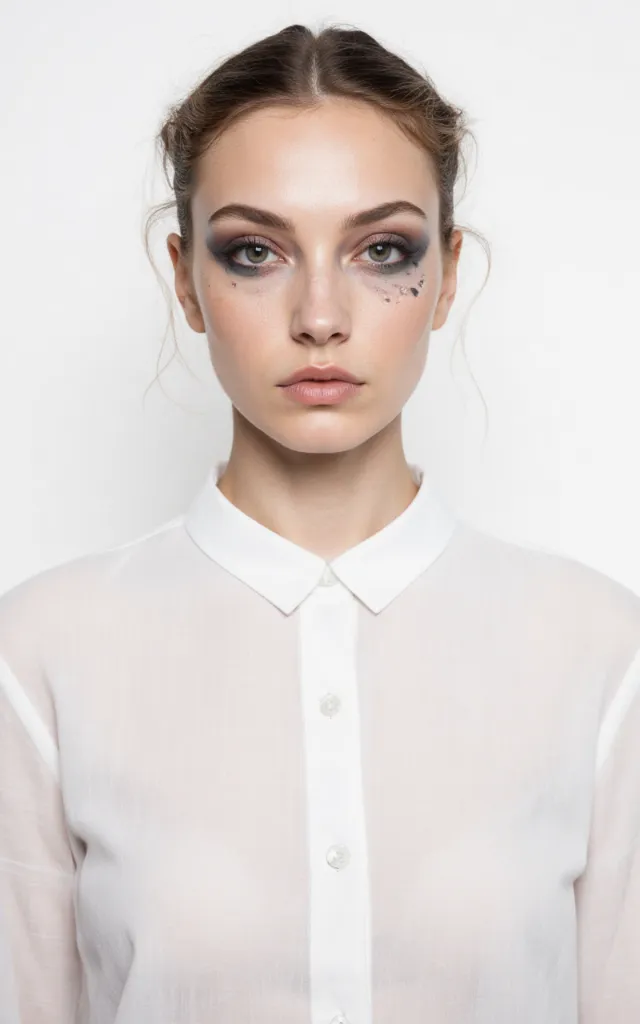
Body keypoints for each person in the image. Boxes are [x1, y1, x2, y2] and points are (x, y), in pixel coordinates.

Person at [0, 21, 639, 1024]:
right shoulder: (39, 654)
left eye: (381, 249)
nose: (320, 314)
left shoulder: (602, 653)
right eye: (254, 251)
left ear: (447, 274)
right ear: (185, 280)